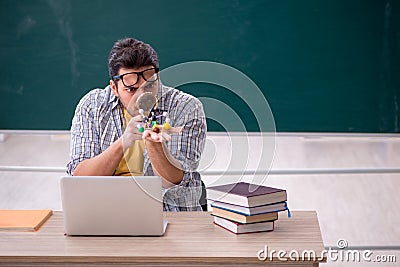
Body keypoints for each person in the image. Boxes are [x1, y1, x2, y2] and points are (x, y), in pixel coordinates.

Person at [66, 38, 207, 211]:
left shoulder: (185, 107)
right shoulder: (93, 106)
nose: (142, 96)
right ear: (114, 88)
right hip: (107, 212)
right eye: (131, 89)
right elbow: (79, 180)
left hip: (170, 212)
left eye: (149, 86)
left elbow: (173, 183)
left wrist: (155, 145)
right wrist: (122, 143)